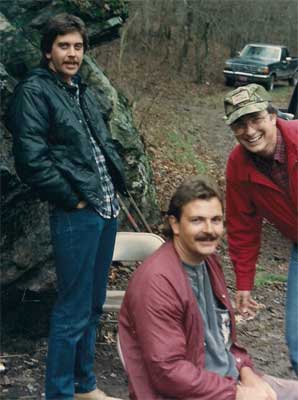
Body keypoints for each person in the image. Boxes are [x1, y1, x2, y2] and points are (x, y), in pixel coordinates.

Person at [5, 13, 126, 400]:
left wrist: (114, 193)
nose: (72, 54)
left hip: (106, 211)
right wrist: (72, 199)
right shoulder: (34, 92)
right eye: (64, 46)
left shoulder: (82, 91)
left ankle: (84, 384)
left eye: (78, 46)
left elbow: (102, 148)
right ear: (48, 51)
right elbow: (31, 161)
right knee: (72, 309)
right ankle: (59, 393)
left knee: (91, 306)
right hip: (78, 212)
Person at [118, 176, 298, 400]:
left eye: (216, 220)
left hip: (228, 381)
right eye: (197, 220)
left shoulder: (208, 262)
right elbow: (168, 372)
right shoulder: (157, 282)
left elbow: (224, 340)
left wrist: (247, 372)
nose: (209, 230)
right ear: (174, 224)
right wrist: (236, 393)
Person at [224, 84, 298, 376]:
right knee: (297, 341)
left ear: (272, 115)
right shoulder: (238, 165)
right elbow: (242, 227)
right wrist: (243, 283)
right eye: (239, 124)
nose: (249, 130)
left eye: (255, 118)